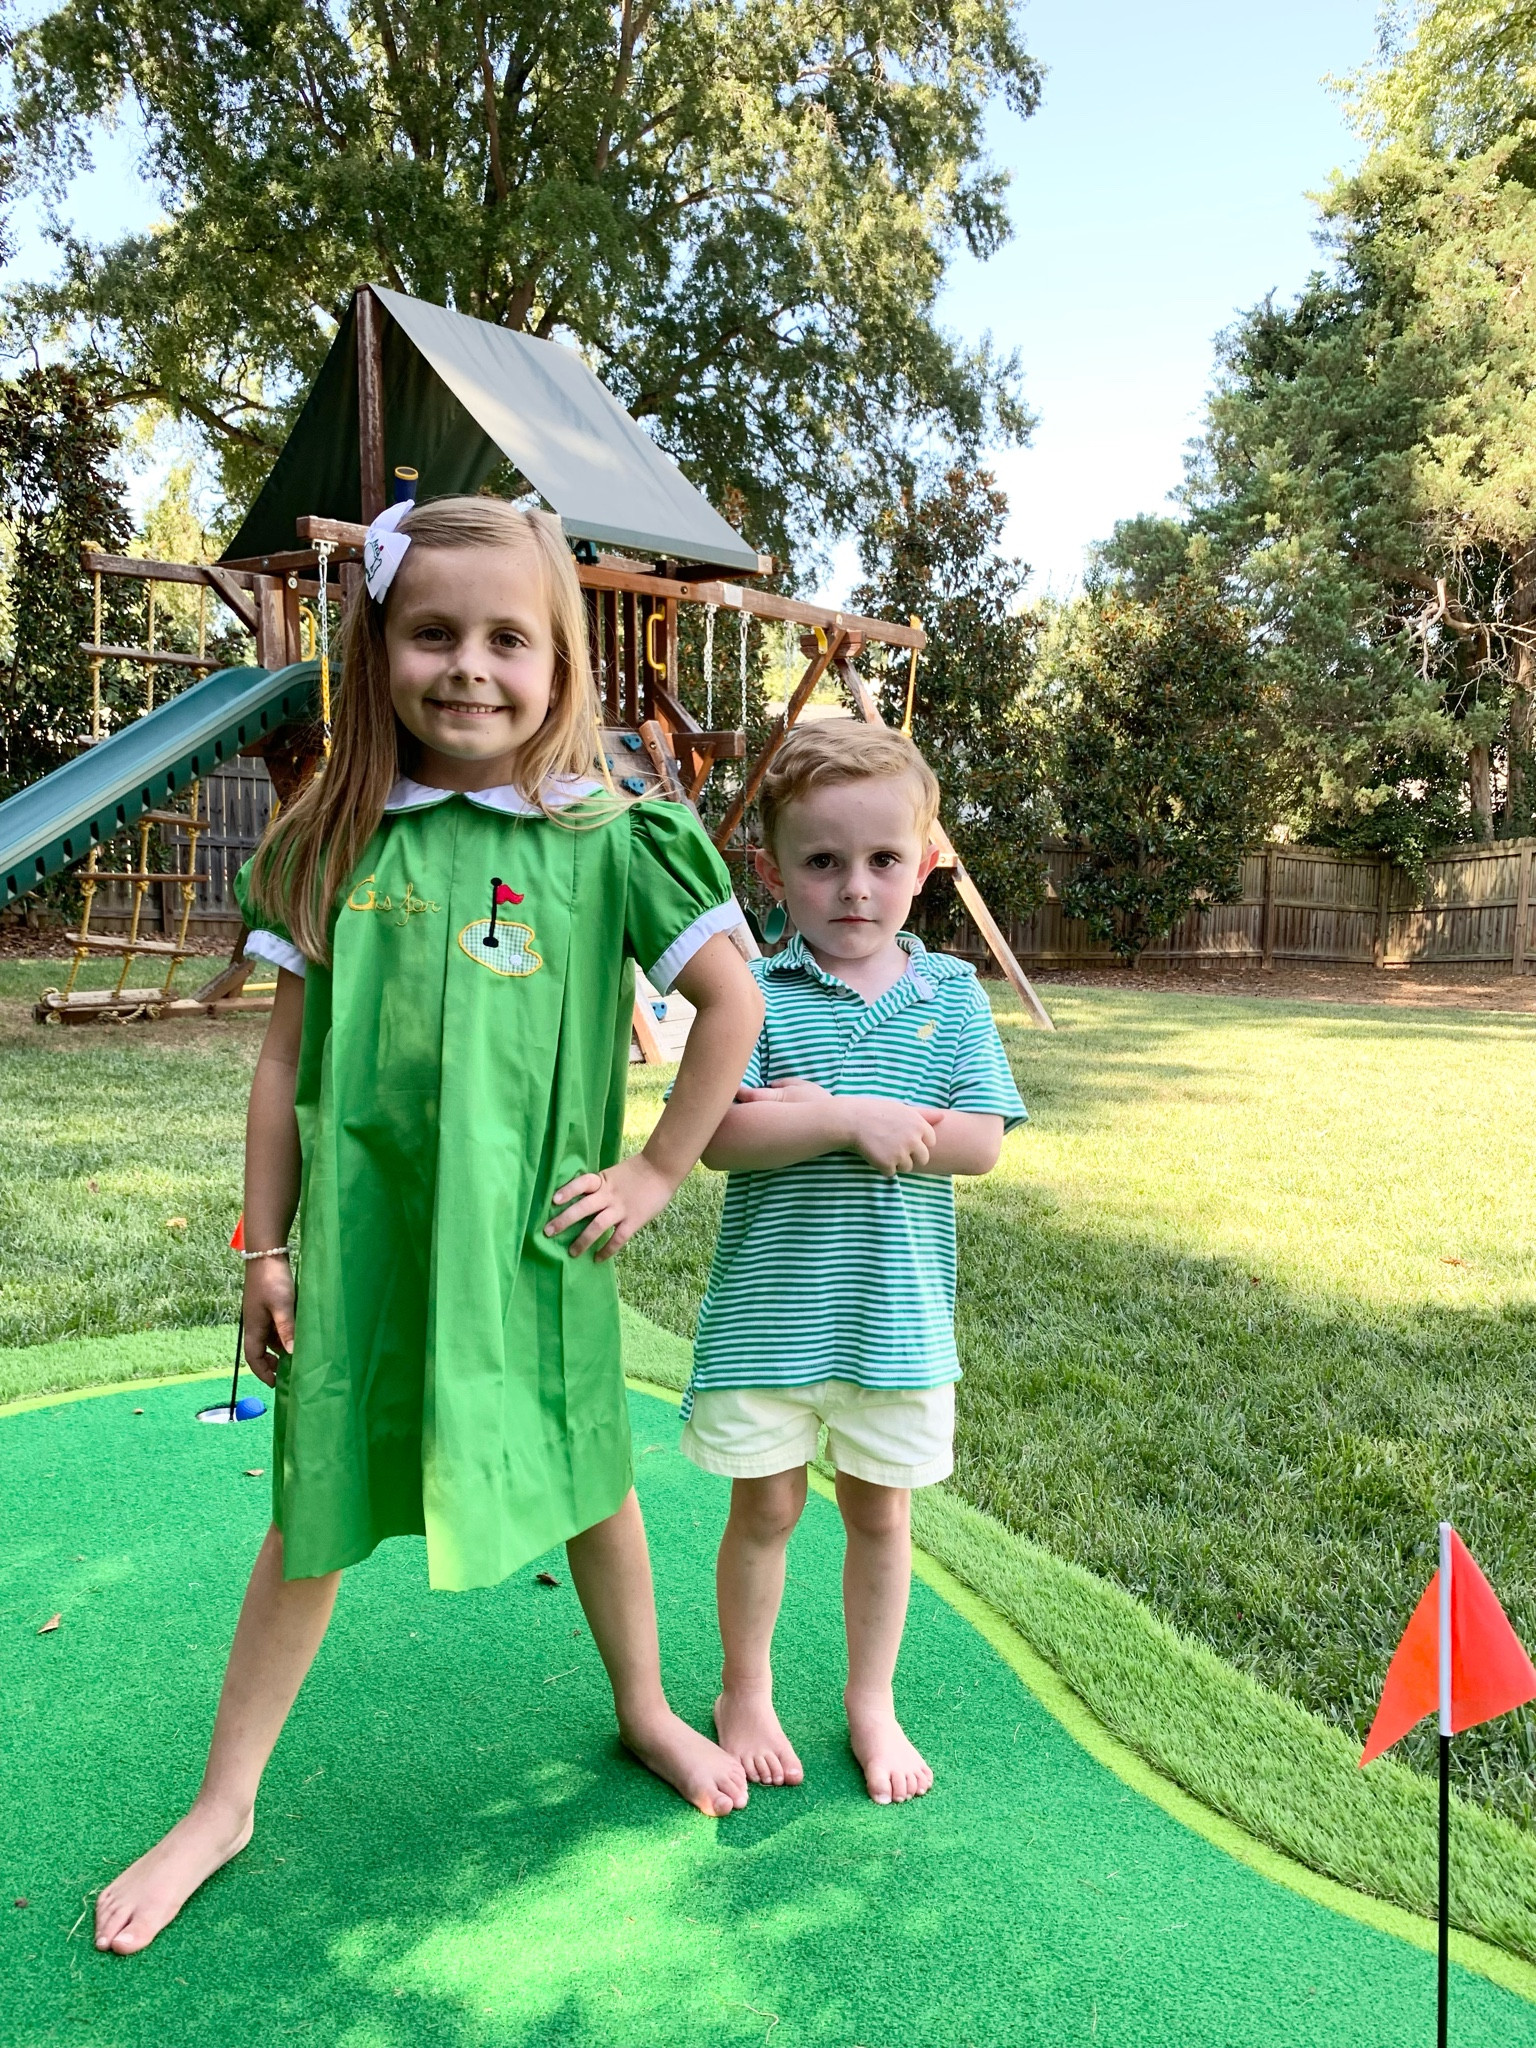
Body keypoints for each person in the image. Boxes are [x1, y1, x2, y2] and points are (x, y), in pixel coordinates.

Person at [94, 496, 764, 1955]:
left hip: (536, 1249)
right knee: (313, 1511)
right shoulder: (327, 842)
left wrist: (655, 1171)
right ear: (380, 644)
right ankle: (226, 1801)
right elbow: (282, 1070)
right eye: (434, 632)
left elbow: (733, 1008)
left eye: (507, 637)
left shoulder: (615, 839)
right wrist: (265, 1252)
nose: (470, 666)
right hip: (361, 1252)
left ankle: (647, 1708)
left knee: (592, 1478)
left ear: (561, 660)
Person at [683, 721, 1027, 1805]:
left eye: (883, 860)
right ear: (773, 869)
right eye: (823, 861)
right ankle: (745, 1689)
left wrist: (830, 1112)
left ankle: (870, 1702)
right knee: (767, 1511)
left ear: (923, 866)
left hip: (897, 1322)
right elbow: (713, 1135)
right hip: (769, 1320)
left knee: (884, 1513)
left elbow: (978, 1140)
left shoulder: (953, 996)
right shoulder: (756, 994)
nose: (854, 887)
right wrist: (845, 1117)